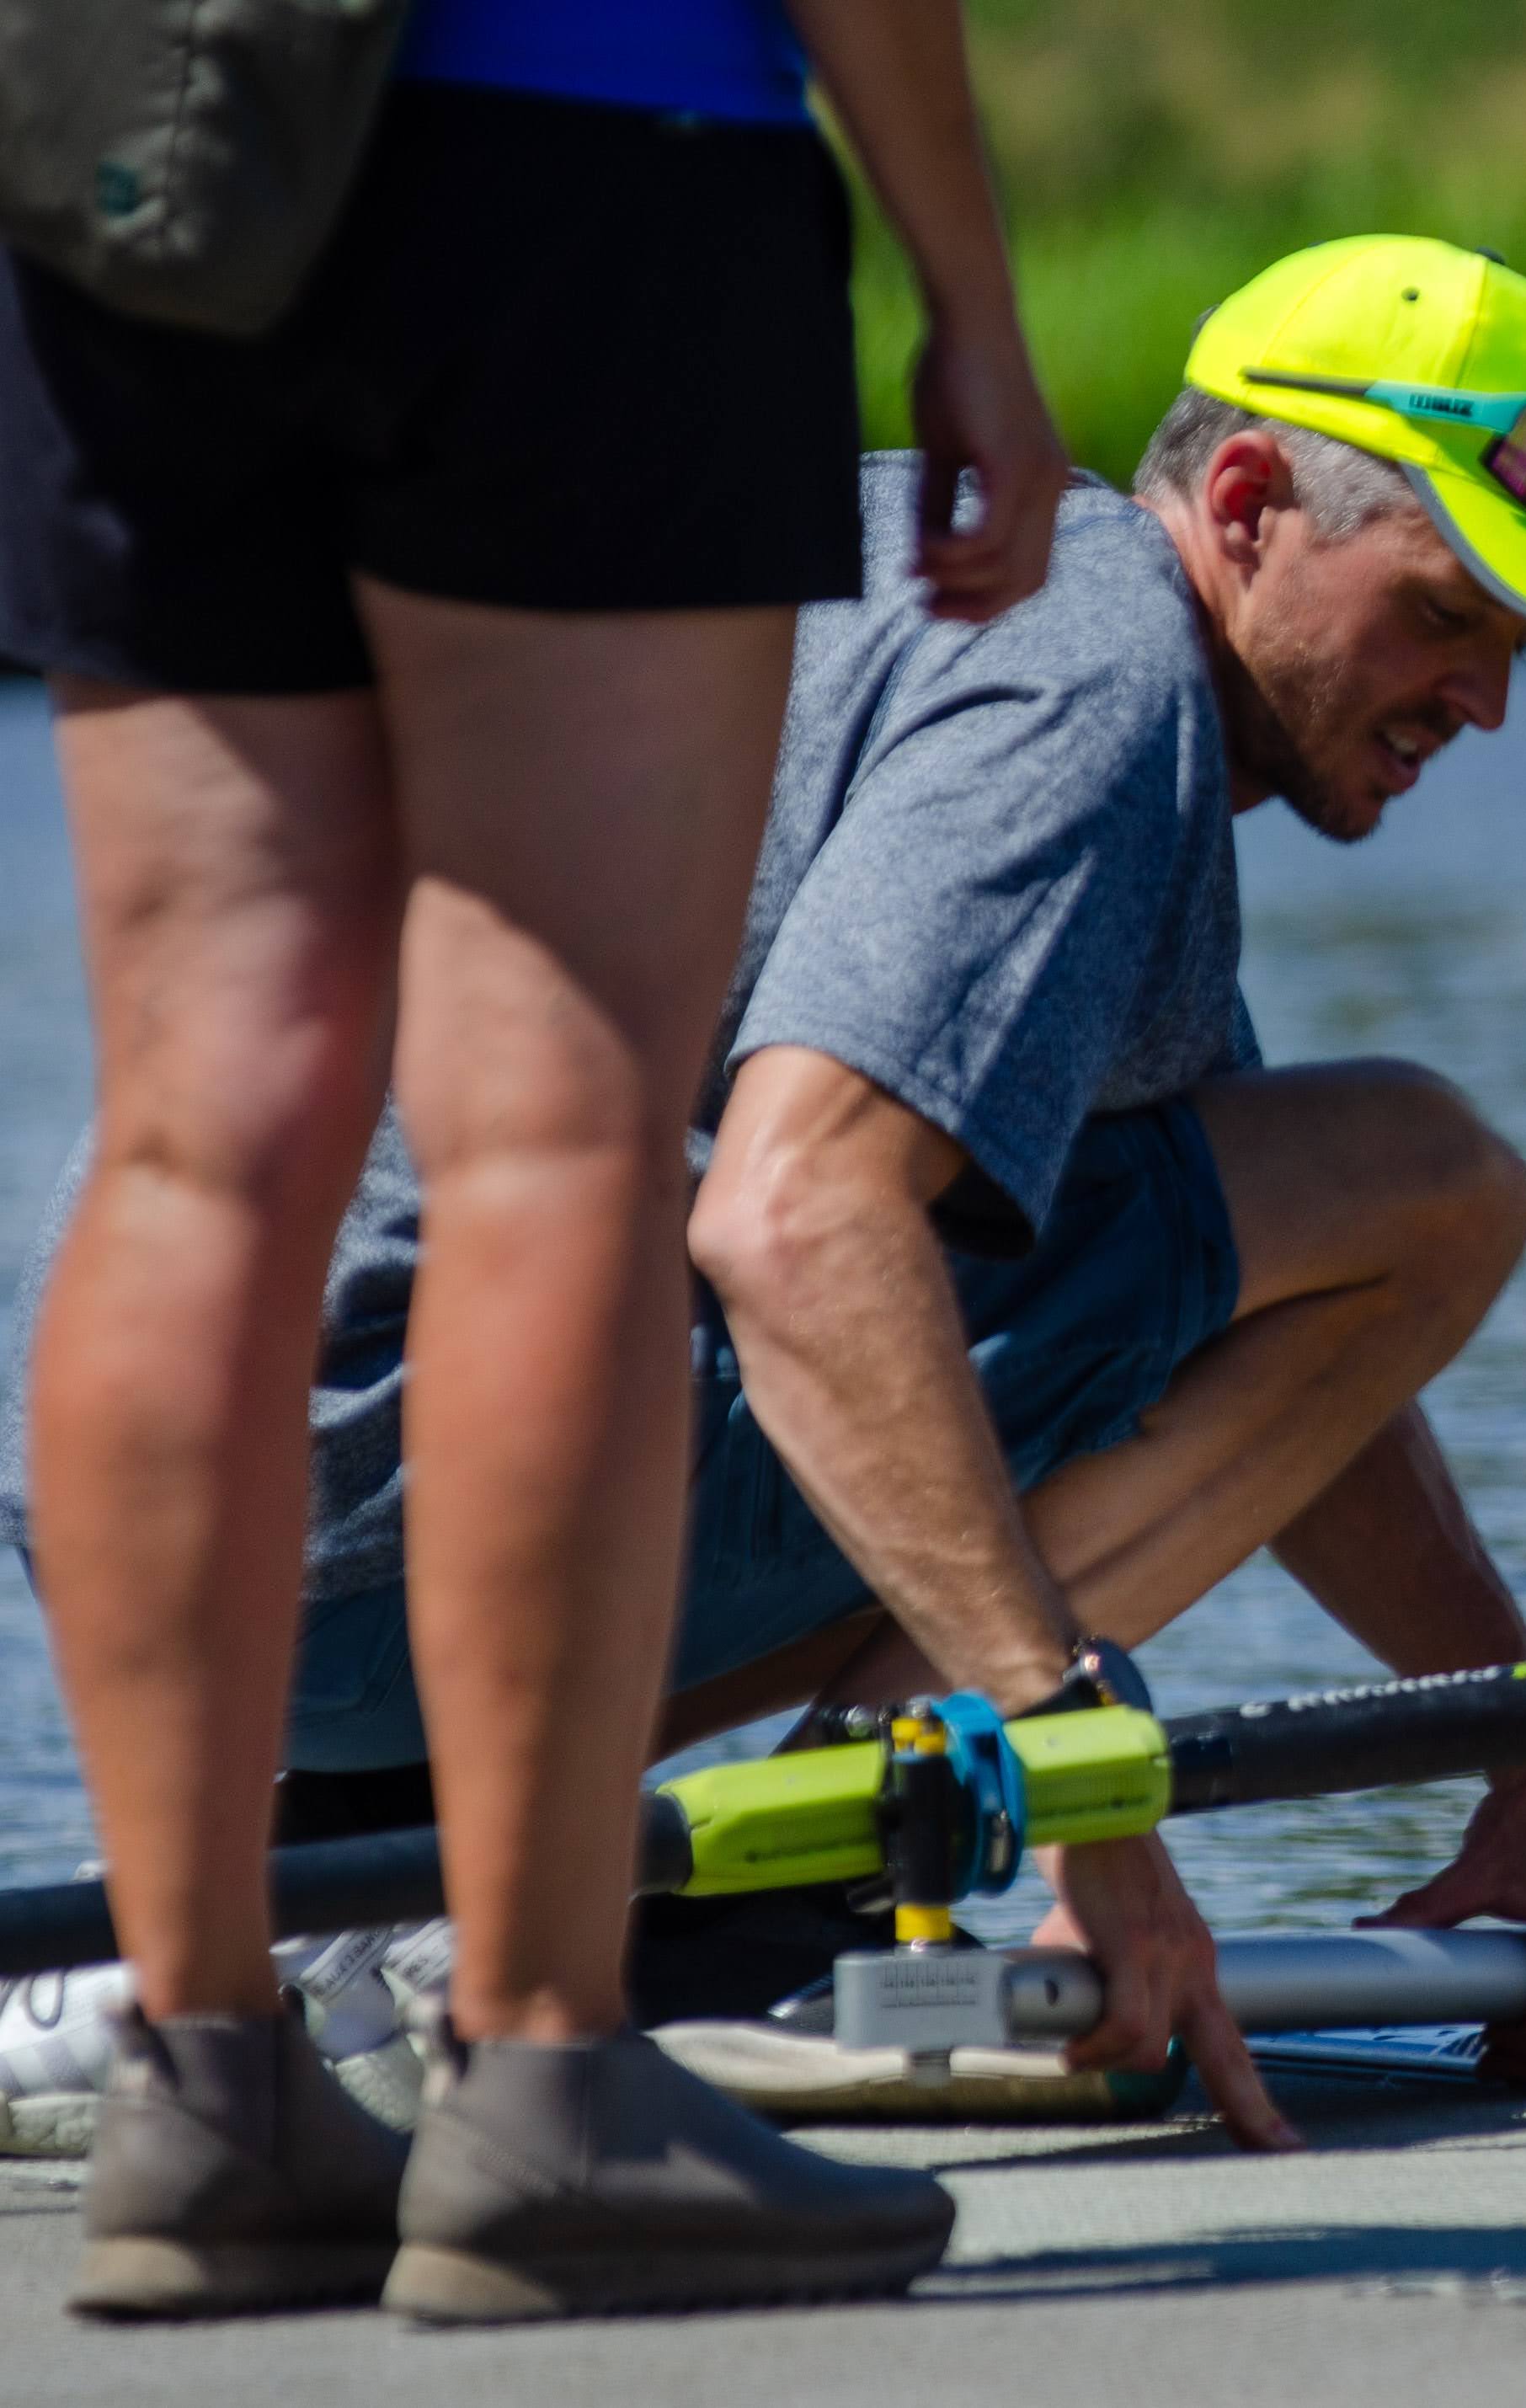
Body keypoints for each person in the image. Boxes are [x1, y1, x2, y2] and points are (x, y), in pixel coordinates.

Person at [2, 229, 1526, 2192]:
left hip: (173, 1535)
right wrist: (1076, 1773)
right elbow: (796, 1216)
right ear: (1241, 505)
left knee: (1329, 1204)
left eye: (1517, 641)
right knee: (1434, 1170)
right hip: (374, 1484)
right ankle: (770, 1903)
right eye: (1446, 612)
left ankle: (336, 1891)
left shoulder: (943, 576)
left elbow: (1264, 1342)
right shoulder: (1092, 668)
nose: (1483, 697)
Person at [0, 0, 1068, 2320]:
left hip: (151, 176)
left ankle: (198, 2076)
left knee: (196, 1128)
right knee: (556, 1123)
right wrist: (963, 282)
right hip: (593, 147)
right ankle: (544, 2082)